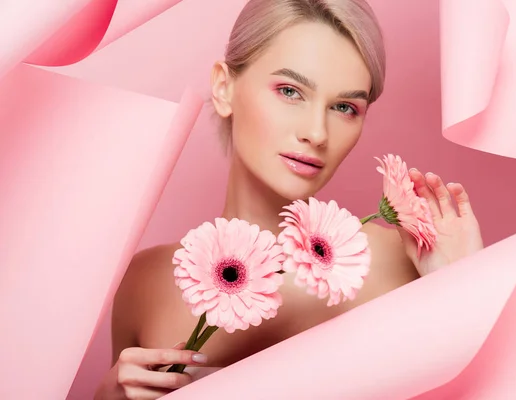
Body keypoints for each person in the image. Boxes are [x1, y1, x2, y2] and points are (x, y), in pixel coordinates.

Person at [94, 0, 484, 398]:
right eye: (290, 91)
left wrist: (464, 284)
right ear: (223, 87)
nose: (316, 133)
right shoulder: (146, 282)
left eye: (344, 107)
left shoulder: (406, 261)